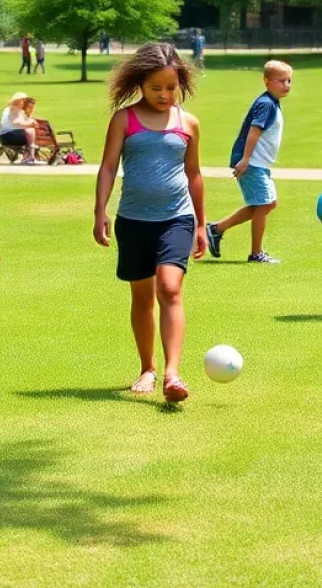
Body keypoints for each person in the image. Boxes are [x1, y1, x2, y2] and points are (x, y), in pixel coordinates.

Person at [94, 42, 207, 403]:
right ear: (140, 84)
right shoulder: (123, 120)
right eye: (156, 88)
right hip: (133, 219)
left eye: (171, 88)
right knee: (142, 297)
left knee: (170, 289)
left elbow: (194, 174)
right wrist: (100, 210)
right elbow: (109, 166)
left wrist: (202, 225)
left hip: (176, 218)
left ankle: (173, 374)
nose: (164, 94)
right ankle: (148, 367)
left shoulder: (188, 123)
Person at [206, 60, 292, 263]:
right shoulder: (266, 104)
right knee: (264, 204)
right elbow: (254, 132)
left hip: (258, 163)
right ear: (267, 81)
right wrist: (245, 160)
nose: (287, 85)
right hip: (252, 163)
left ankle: (216, 229)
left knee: (267, 203)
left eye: (288, 80)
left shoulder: (272, 103)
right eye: (281, 81)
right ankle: (256, 254)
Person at [0, 92, 40, 164]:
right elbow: (17, 123)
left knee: (30, 131)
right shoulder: (17, 110)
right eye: (24, 101)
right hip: (12, 136)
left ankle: (28, 155)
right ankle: (31, 155)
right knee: (31, 131)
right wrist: (31, 125)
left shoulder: (8, 109)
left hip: (3, 137)